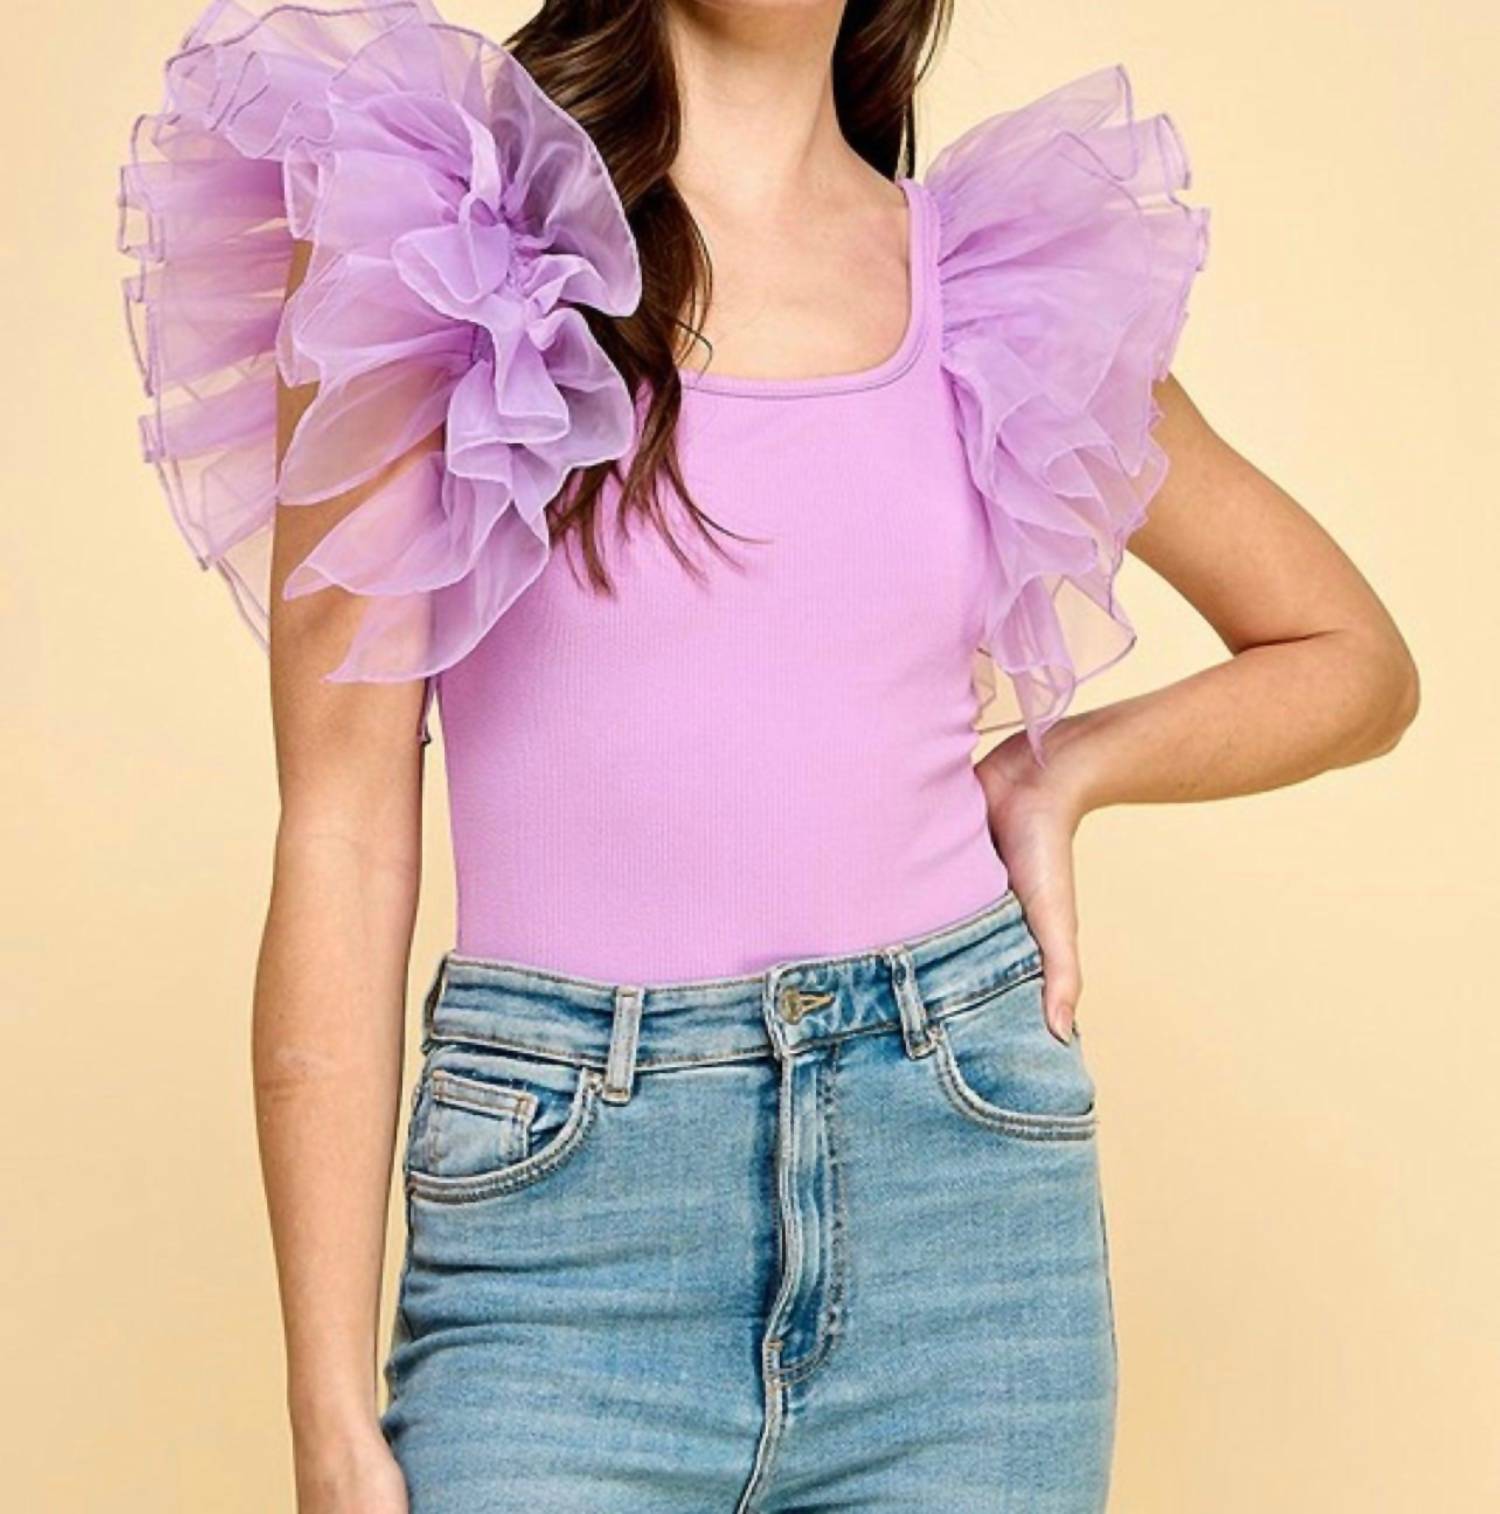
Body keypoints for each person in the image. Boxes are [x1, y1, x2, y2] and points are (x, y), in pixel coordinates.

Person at [117, 1, 1419, 1509]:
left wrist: (1058, 772)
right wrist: (330, 1415)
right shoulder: (431, 239)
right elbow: (342, 827)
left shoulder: (994, 290)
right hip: (560, 1248)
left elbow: (1353, 662)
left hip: (965, 1222)